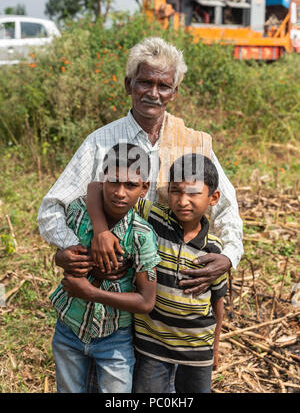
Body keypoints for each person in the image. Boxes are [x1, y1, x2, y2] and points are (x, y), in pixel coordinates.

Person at [37, 37, 243, 295]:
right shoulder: (101, 142)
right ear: (129, 85)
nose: (154, 93)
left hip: (175, 288)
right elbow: (51, 208)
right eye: (145, 82)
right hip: (115, 287)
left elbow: (226, 204)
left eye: (164, 86)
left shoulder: (192, 142)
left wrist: (229, 256)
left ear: (175, 92)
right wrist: (81, 249)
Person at [86, 153, 227, 393]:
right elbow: (95, 187)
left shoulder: (214, 251)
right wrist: (100, 231)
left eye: (193, 193)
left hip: (196, 347)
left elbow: (218, 301)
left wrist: (215, 346)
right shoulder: (153, 217)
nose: (183, 201)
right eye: (176, 191)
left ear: (213, 198)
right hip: (152, 342)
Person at [49, 143, 160, 393]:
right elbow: (63, 254)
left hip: (115, 338)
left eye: (130, 185)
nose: (120, 192)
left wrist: (91, 292)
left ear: (144, 189)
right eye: (114, 182)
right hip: (69, 327)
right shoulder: (78, 212)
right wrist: (60, 257)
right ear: (103, 181)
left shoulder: (142, 235)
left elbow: (146, 301)